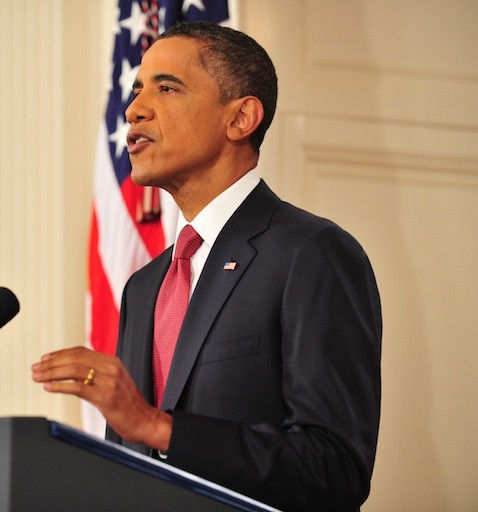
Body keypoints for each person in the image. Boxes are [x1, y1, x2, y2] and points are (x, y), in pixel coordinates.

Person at [32, 21, 381, 512]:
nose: (133, 109)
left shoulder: (311, 254)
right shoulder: (143, 286)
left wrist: (160, 428)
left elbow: (335, 469)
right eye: (136, 91)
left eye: (167, 88)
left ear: (241, 118)